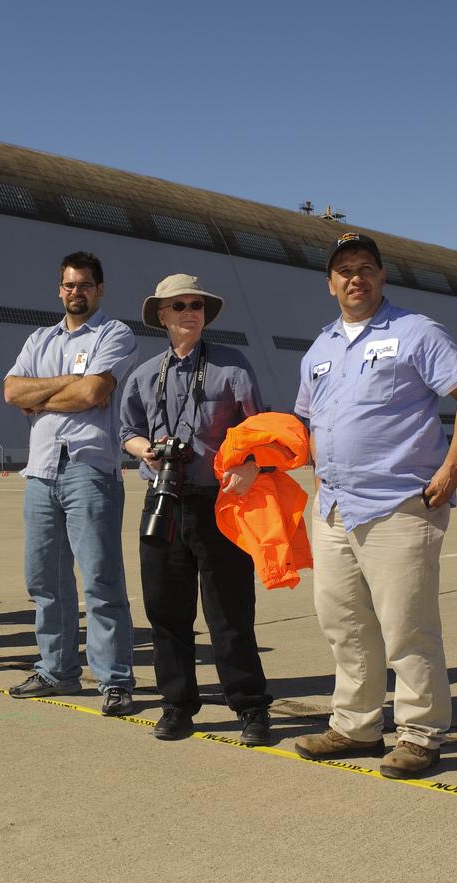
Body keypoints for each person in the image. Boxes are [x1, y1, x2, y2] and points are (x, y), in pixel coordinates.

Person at [292, 232, 457, 778]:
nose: (355, 277)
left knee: (408, 627)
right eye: (344, 270)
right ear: (330, 284)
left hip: (398, 504)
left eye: (365, 267)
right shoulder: (321, 348)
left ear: (381, 276)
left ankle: (421, 735)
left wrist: (450, 469)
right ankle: (355, 727)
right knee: (344, 623)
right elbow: (305, 422)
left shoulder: (416, 332)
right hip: (332, 508)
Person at [120, 274, 273, 744]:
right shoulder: (145, 374)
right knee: (166, 610)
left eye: (198, 306)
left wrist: (250, 464)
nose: (190, 312)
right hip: (163, 499)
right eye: (180, 305)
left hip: (218, 501)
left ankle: (249, 707)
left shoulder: (232, 365)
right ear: (162, 316)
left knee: (229, 611)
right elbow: (126, 431)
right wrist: (146, 448)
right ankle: (176, 705)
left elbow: (258, 431)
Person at [2, 251, 139, 716]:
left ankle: (114, 679)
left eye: (83, 285)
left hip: (88, 468)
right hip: (41, 470)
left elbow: (94, 392)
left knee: (100, 578)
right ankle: (57, 671)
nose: (74, 292)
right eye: (68, 285)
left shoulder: (114, 334)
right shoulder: (39, 338)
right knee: (45, 579)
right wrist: (66, 384)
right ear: (59, 289)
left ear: (99, 289)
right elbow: (10, 391)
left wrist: (42, 397)